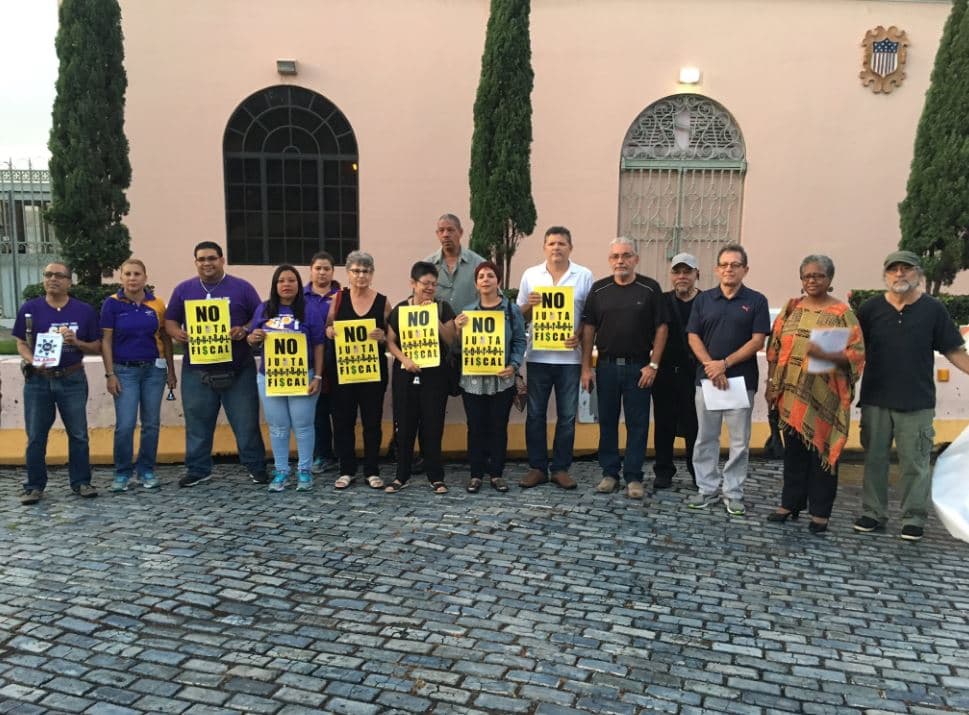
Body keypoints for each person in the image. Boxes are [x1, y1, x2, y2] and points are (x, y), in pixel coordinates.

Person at [853, 250, 969, 541]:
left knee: (915, 463)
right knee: (875, 459)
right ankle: (873, 513)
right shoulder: (869, 310)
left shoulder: (933, 310)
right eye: (894, 269)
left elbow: (954, 350)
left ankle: (913, 518)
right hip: (876, 399)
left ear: (919, 274)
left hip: (916, 402)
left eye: (906, 269)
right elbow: (851, 349)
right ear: (885, 274)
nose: (899, 274)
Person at [765, 255, 865, 534]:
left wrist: (825, 355)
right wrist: (771, 383)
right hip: (790, 393)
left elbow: (857, 356)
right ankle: (790, 503)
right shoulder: (791, 308)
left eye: (819, 276)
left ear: (830, 280)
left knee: (822, 452)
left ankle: (820, 513)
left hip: (826, 398)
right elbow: (774, 348)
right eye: (807, 276)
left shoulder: (842, 313)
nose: (812, 280)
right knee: (794, 453)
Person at [164, 241, 268, 487]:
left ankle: (256, 467)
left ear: (222, 260)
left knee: (246, 422)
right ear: (196, 262)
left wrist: (244, 329)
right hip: (197, 369)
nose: (207, 263)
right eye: (201, 259)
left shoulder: (242, 288)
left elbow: (260, 315)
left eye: (212, 258)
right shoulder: (183, 290)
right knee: (197, 422)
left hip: (238, 367)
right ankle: (198, 469)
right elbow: (169, 320)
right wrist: (177, 333)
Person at [580, 237, 668, 500]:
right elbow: (588, 330)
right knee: (606, 422)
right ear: (610, 260)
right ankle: (609, 473)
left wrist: (653, 364)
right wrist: (586, 367)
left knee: (637, 424)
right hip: (605, 367)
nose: (621, 261)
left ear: (636, 259)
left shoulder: (650, 289)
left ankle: (633, 476)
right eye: (616, 256)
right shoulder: (598, 290)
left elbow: (662, 327)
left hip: (638, 368)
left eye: (627, 255)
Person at [686, 244, 770, 516]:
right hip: (707, 380)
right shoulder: (704, 300)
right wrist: (711, 366)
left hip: (740, 382)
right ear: (716, 269)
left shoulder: (757, 300)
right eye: (724, 264)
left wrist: (724, 364)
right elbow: (693, 336)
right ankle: (706, 488)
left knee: (738, 442)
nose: (729, 269)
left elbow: (758, 340)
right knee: (705, 438)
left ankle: (733, 492)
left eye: (735, 264)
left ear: (745, 269)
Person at [14, 261, 102, 504]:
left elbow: (97, 346)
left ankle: (82, 482)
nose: (53, 279)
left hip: (72, 378)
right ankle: (34, 486)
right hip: (38, 381)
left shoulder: (84, 311)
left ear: (69, 282)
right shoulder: (30, 309)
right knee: (36, 436)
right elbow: (20, 342)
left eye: (59, 276)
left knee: (78, 434)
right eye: (48, 275)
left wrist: (77, 341)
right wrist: (32, 360)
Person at [517, 226, 593, 490]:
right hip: (538, 356)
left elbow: (589, 317)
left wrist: (579, 334)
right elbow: (518, 317)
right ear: (544, 247)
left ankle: (560, 468)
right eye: (551, 243)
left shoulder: (583, 275)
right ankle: (537, 467)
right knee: (535, 415)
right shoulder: (531, 275)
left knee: (568, 416)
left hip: (570, 359)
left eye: (561, 243)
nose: (556, 248)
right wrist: (530, 305)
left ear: (570, 247)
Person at [101, 258, 177, 492]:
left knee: (151, 424)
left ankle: (146, 470)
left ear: (145, 277)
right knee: (125, 425)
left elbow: (165, 338)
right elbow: (106, 340)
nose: (132, 278)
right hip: (124, 371)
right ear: (121, 277)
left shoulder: (157, 304)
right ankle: (123, 473)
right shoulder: (111, 304)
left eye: (137, 274)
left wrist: (171, 371)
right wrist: (109, 374)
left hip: (154, 370)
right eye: (128, 274)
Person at [248, 265, 325, 492]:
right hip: (270, 377)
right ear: (275, 285)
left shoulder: (309, 310)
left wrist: (318, 376)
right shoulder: (264, 309)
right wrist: (254, 336)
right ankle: (281, 471)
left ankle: (305, 471)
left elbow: (320, 344)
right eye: (281, 281)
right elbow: (251, 340)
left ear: (298, 284)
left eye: (291, 280)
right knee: (278, 427)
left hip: (303, 376)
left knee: (303, 426)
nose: (286, 284)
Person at [384, 261, 457, 494]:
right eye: (426, 283)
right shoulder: (400, 309)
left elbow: (451, 339)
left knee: (433, 426)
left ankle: (436, 476)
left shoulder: (443, 307)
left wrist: (433, 318)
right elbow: (390, 340)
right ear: (413, 284)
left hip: (435, 375)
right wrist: (404, 359)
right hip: (406, 373)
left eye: (434, 284)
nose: (430, 288)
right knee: (404, 427)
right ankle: (401, 476)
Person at [455, 261, 526, 493]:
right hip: (473, 381)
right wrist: (457, 329)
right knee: (475, 427)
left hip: (501, 379)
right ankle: (476, 474)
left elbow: (519, 340)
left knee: (498, 426)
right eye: (481, 276)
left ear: (498, 281)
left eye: (490, 275)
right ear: (476, 284)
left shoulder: (510, 310)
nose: (485, 279)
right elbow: (458, 347)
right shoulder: (467, 312)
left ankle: (496, 473)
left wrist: (514, 365)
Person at [325, 250, 392, 490]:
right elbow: (328, 326)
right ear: (348, 273)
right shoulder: (338, 298)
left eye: (365, 271)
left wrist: (382, 336)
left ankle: (372, 470)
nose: (361, 275)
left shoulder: (382, 301)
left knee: (372, 421)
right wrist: (330, 332)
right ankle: (347, 469)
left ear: (372, 274)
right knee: (343, 421)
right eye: (356, 271)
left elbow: (394, 337)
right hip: (344, 372)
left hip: (373, 372)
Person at [651, 253, 701, 489]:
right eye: (677, 272)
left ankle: (697, 471)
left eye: (687, 272)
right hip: (665, 372)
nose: (682, 276)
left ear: (696, 275)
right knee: (663, 423)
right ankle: (663, 471)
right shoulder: (660, 301)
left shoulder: (707, 301)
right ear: (671, 276)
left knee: (696, 425)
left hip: (696, 373)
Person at [304, 251, 341, 475]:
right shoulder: (301, 296)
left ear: (333, 272)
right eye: (318, 268)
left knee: (340, 411)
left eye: (326, 268)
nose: (322, 272)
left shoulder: (343, 296)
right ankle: (322, 455)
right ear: (311, 270)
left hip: (339, 362)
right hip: (311, 362)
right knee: (317, 412)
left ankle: (343, 455)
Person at [425, 213, 485, 313]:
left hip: (470, 325)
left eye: (450, 230)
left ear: (460, 232)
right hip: (440, 326)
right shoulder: (427, 265)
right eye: (441, 230)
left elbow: (493, 297)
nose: (445, 235)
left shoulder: (478, 264)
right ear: (437, 234)